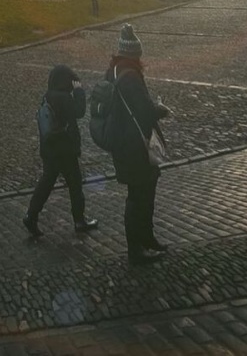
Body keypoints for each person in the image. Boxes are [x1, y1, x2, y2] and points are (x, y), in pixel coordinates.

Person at [105, 23, 171, 265]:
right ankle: (136, 249)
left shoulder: (115, 71)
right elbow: (143, 112)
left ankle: (146, 239)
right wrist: (161, 110)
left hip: (125, 144)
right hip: (135, 147)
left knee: (143, 193)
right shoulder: (131, 77)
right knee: (138, 196)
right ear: (134, 54)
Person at [23, 64, 99, 237]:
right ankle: (79, 220)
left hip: (49, 148)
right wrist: (79, 92)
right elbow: (79, 112)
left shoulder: (48, 95)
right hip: (64, 149)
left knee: (46, 183)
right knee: (75, 184)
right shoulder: (64, 97)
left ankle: (31, 215)